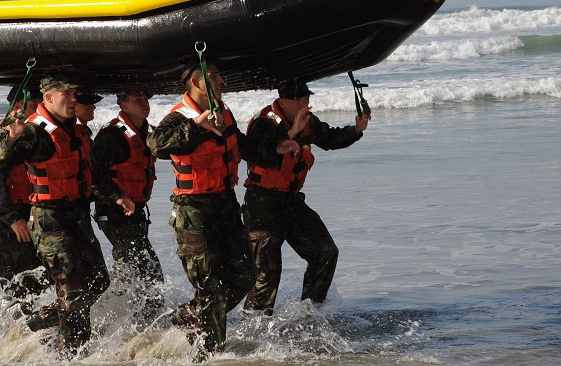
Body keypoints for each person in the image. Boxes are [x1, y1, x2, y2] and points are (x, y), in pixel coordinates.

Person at [147, 62, 299, 357]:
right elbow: (155, 145)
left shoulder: (223, 112)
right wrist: (195, 126)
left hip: (225, 205)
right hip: (194, 212)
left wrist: (275, 149)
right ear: (196, 81)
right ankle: (210, 356)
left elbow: (240, 145)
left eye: (219, 75)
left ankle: (185, 317)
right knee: (212, 290)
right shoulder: (179, 116)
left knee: (244, 275)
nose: (222, 80)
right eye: (215, 76)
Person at [0, 74, 110, 356]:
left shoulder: (76, 131)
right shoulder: (35, 132)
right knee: (75, 292)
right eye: (66, 94)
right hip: (50, 221)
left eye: (74, 93)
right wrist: (12, 139)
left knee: (99, 281)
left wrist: (117, 197)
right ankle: (73, 355)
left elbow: (89, 175)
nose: (73, 99)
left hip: (77, 218)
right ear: (48, 98)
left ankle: (42, 318)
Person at [242, 80, 371, 315]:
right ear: (282, 101)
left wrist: (356, 130)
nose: (305, 103)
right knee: (267, 271)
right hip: (262, 204)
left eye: (306, 98)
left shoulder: (308, 122)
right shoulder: (264, 122)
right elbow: (256, 153)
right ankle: (251, 331)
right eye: (299, 100)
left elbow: (330, 139)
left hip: (291, 202)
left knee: (325, 251)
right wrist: (289, 134)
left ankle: (308, 315)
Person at [0, 86, 52, 319]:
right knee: (17, 286)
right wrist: (12, 219)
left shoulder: (30, 135)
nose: (38, 110)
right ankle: (6, 337)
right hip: (1, 220)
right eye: (33, 106)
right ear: (18, 108)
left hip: (23, 214)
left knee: (38, 283)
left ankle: (19, 330)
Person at [91, 91, 164, 324]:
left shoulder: (146, 133)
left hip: (135, 213)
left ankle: (113, 315)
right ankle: (143, 325)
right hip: (113, 213)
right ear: (123, 104)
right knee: (150, 271)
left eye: (146, 100)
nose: (145, 104)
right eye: (138, 100)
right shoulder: (112, 135)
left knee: (134, 269)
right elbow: (93, 175)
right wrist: (118, 197)